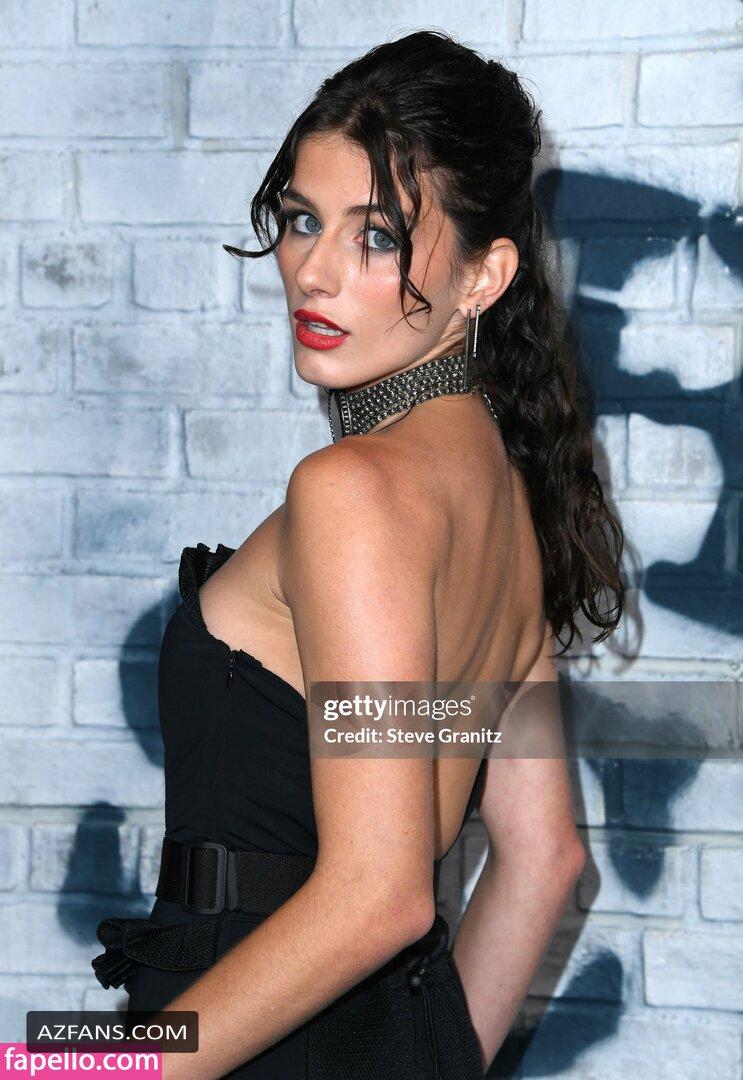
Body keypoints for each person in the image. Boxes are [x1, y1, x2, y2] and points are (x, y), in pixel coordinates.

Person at [91, 29, 624, 1079]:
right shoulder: (502, 506)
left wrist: (99, 1067)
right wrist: (426, 1062)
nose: (314, 272)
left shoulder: (350, 492)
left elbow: (379, 896)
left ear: (485, 276)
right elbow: (544, 858)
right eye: (302, 220)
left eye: (376, 236)